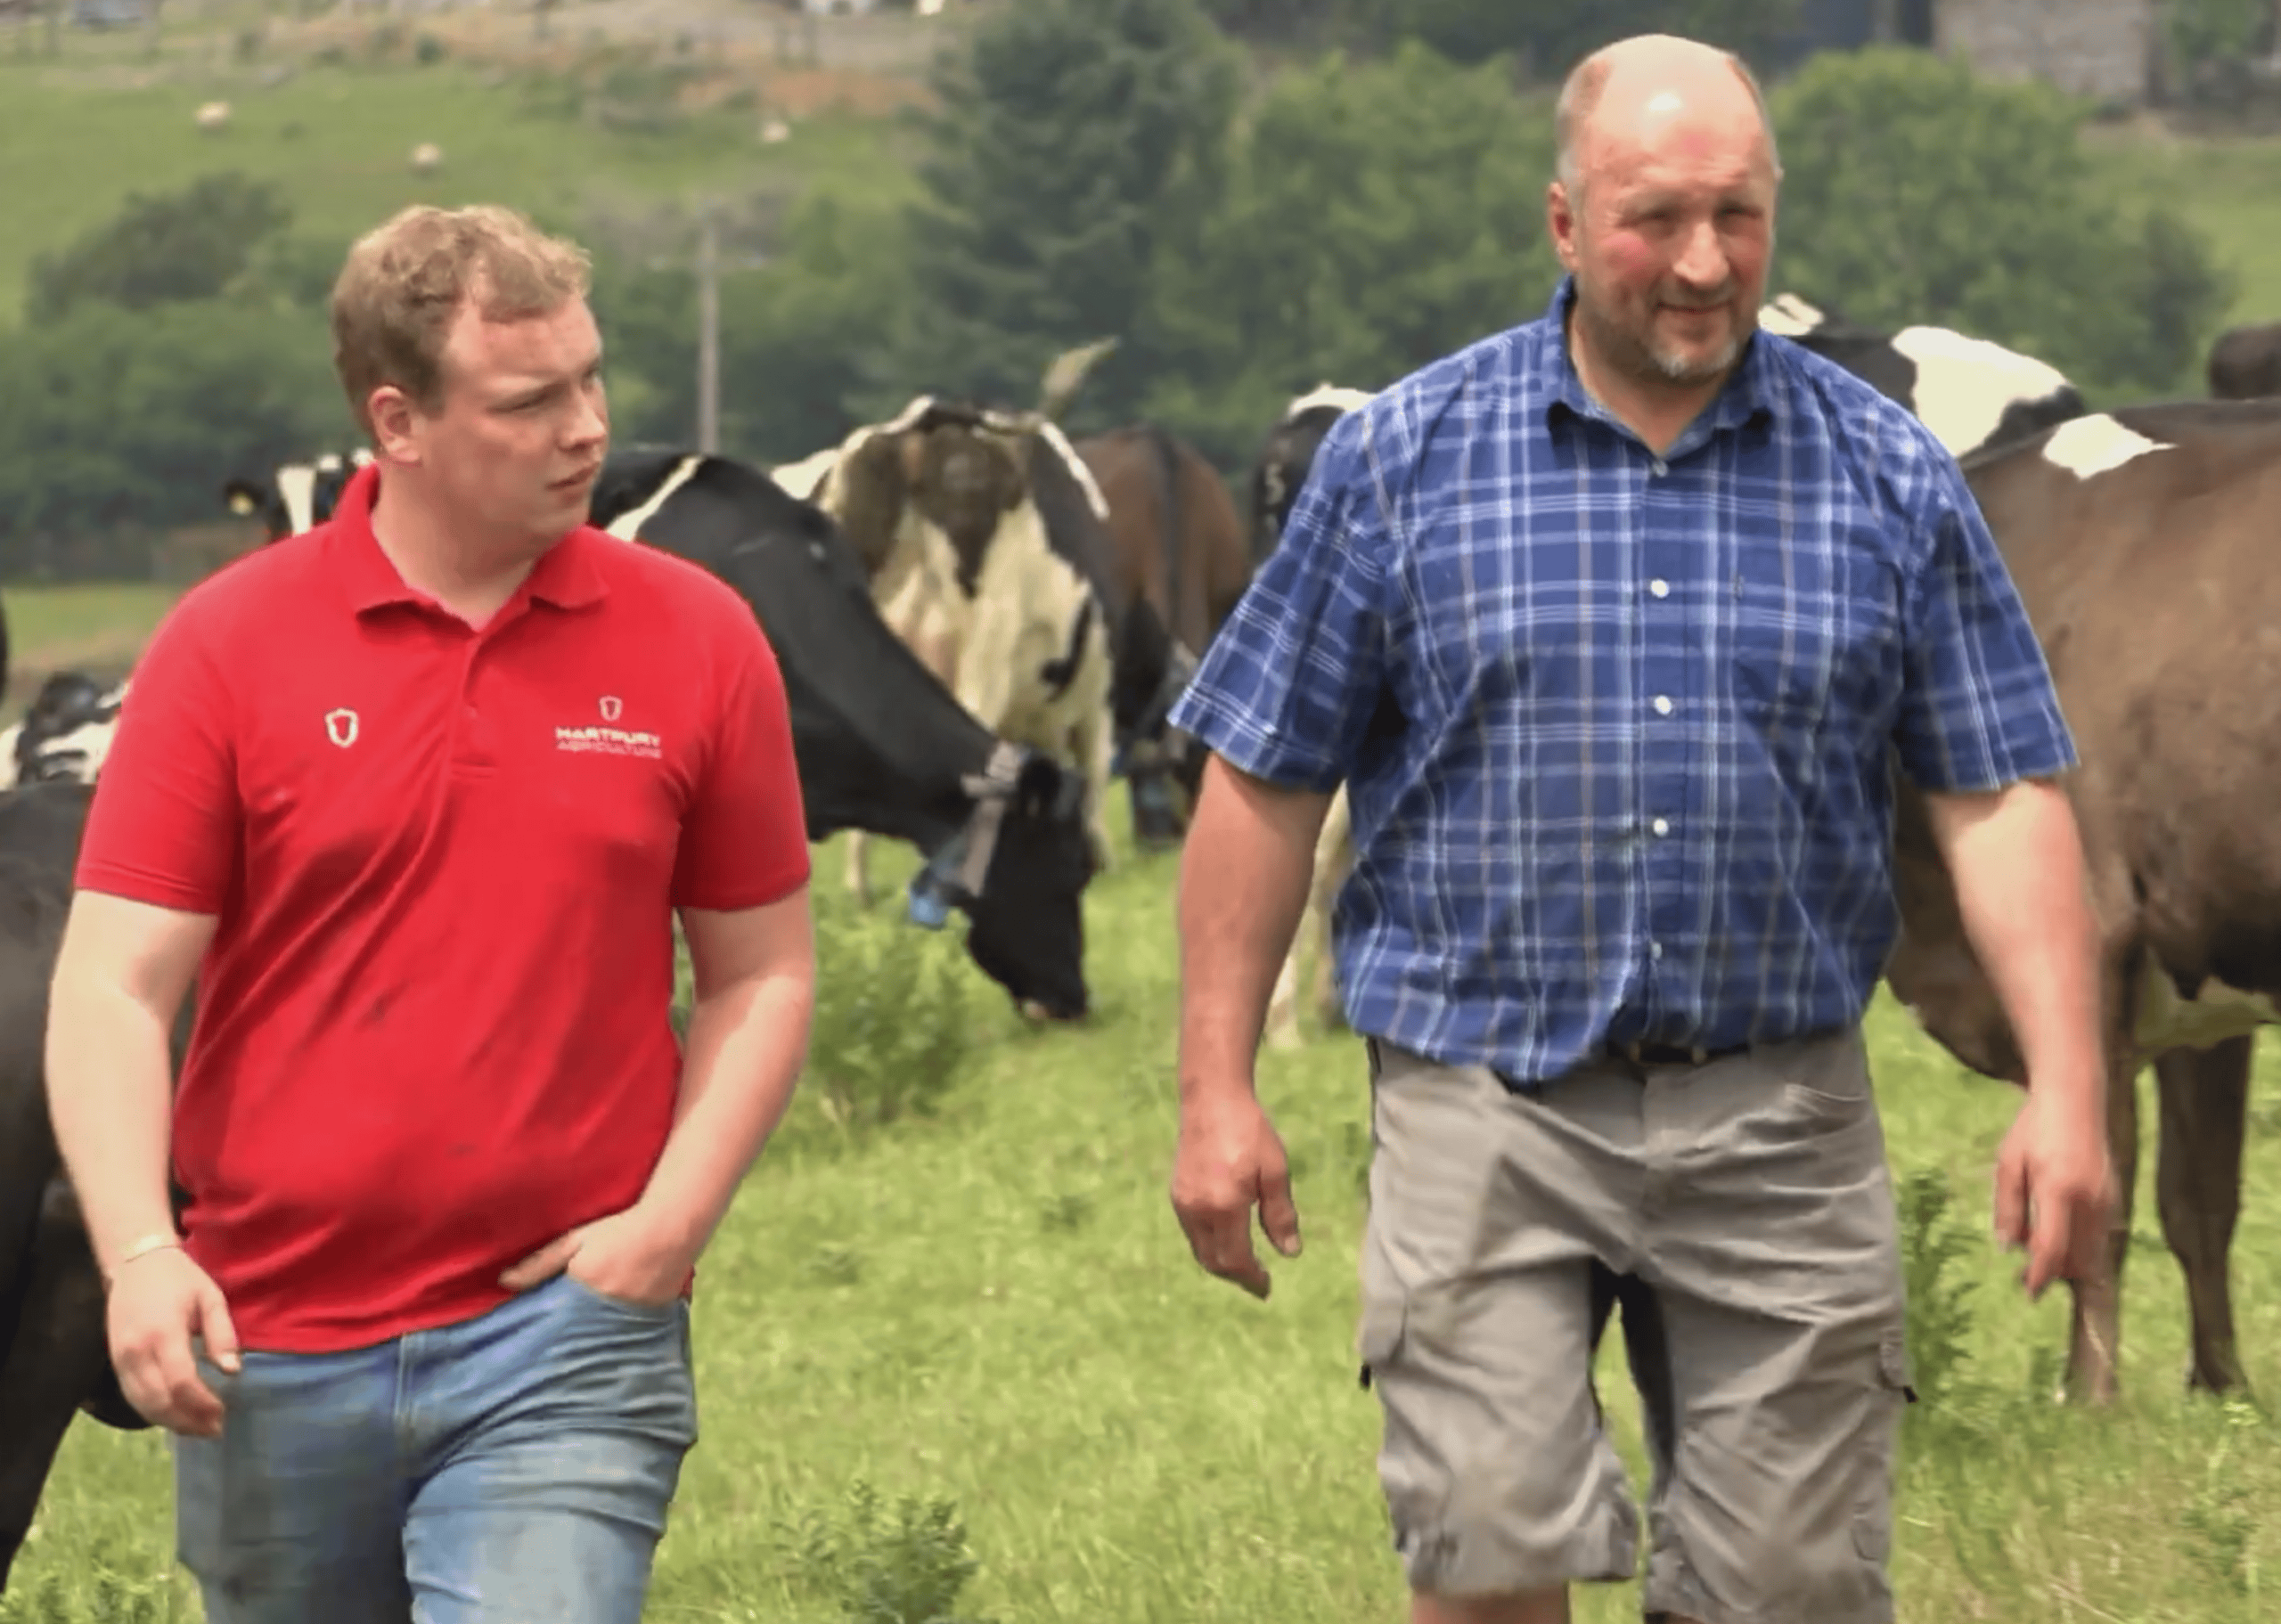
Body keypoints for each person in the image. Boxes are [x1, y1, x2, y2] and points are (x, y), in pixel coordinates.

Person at [1165, 31, 2117, 1624]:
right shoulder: (1404, 460)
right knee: (1483, 1546)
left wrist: (2071, 1091)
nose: (1701, 262)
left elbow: (1997, 785)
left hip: (1778, 1117)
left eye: (1737, 217)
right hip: (1486, 1097)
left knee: (1793, 1591)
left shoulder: (1885, 470)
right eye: (1653, 218)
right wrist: (1215, 1086)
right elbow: (1263, 775)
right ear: (1561, 222)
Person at [44, 203, 817, 1623]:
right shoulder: (226, 646)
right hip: (269, 1345)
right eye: (530, 400)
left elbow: (763, 968)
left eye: (593, 378)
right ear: (397, 421)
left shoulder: (700, 637)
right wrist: (140, 1254)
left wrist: (664, 1225)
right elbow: (111, 987)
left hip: (564, 1339)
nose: (587, 426)